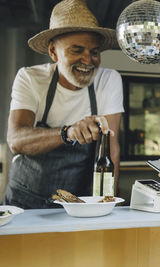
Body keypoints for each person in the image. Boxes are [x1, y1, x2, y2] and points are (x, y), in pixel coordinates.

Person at [5, 0, 124, 209]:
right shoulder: (30, 78)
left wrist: (106, 205)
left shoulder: (109, 80)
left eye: (94, 52)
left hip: (78, 202)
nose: (87, 60)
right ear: (53, 52)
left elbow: (111, 149)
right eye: (76, 50)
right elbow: (16, 140)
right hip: (25, 201)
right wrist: (67, 133)